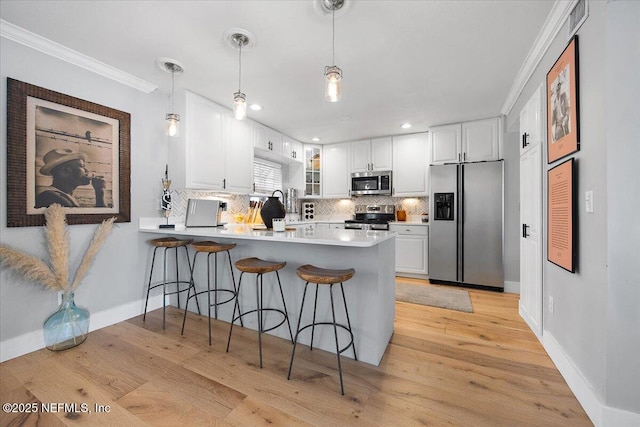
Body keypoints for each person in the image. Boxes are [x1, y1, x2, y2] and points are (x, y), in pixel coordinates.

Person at [35, 148, 106, 208]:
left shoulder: (63, 195)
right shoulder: (52, 198)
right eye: (82, 166)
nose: (86, 170)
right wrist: (100, 192)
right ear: (65, 171)